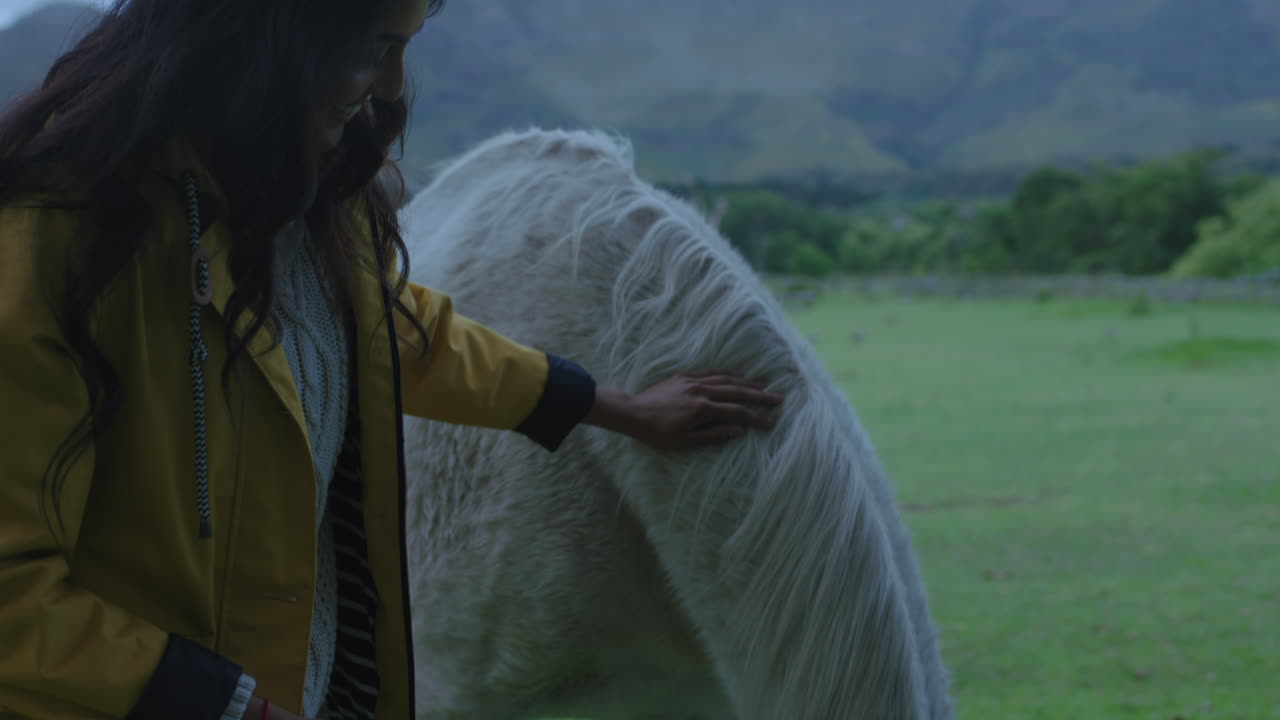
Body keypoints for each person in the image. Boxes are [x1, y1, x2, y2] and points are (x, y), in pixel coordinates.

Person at [0, 1, 782, 718]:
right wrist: (224, 706)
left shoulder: (302, 205)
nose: (393, 83)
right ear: (268, 35)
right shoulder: (55, 238)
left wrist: (615, 408)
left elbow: (401, 339)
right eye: (375, 46)